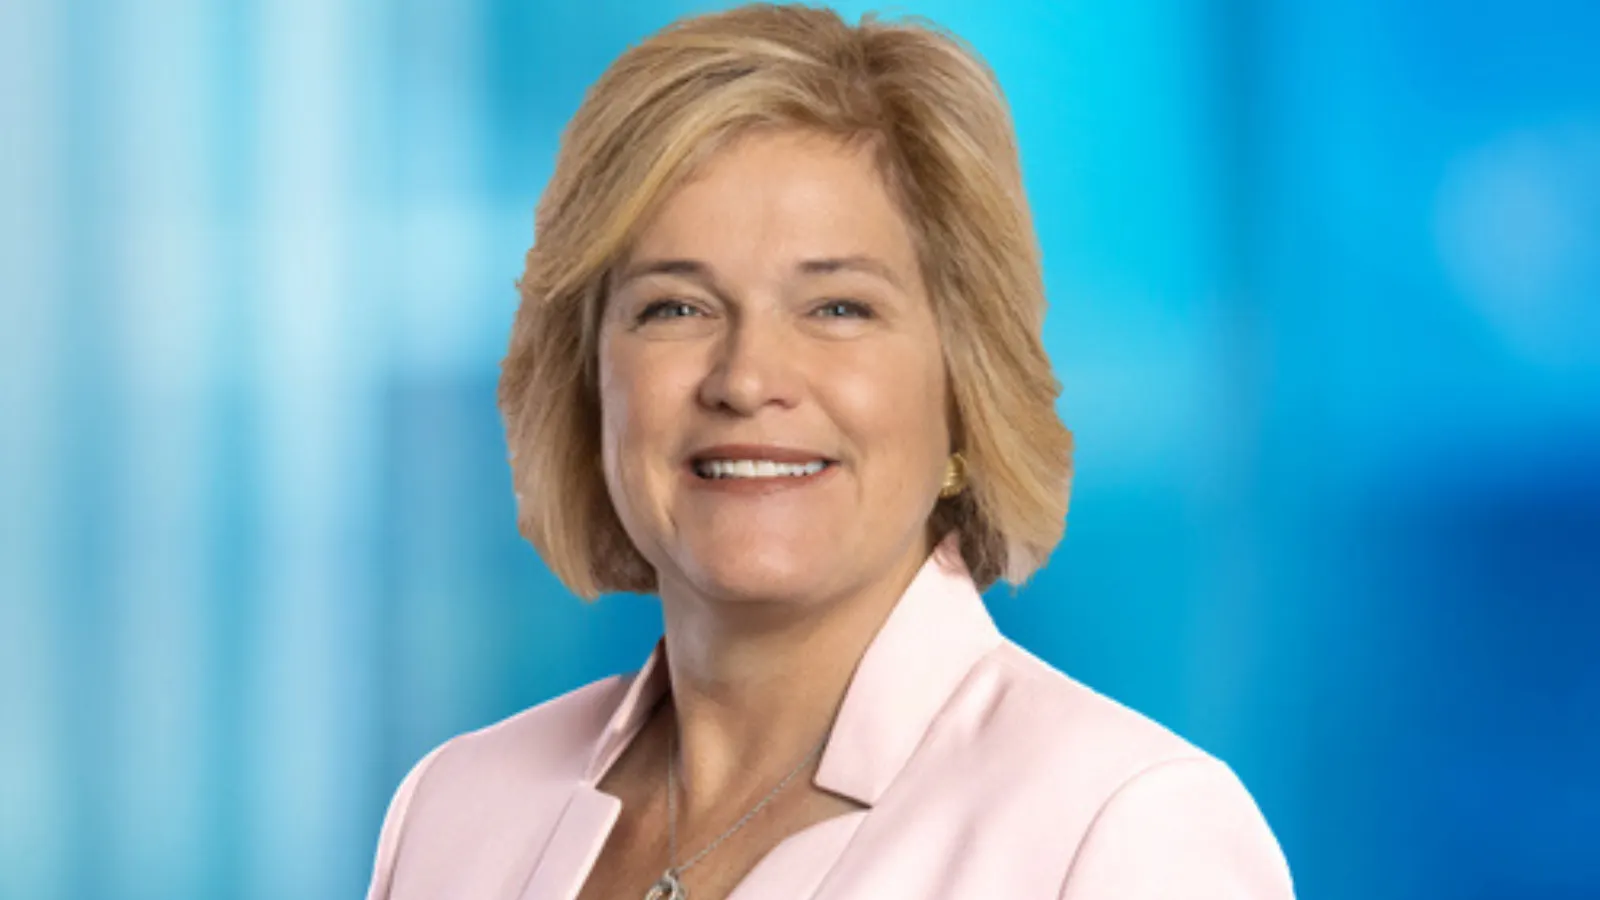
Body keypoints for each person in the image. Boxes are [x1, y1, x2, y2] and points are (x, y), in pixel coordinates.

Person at [365, 4, 1294, 898]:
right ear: (588, 380)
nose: (746, 377)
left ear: (963, 388)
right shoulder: (455, 810)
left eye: (838, 307)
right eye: (675, 307)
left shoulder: (1120, 829)